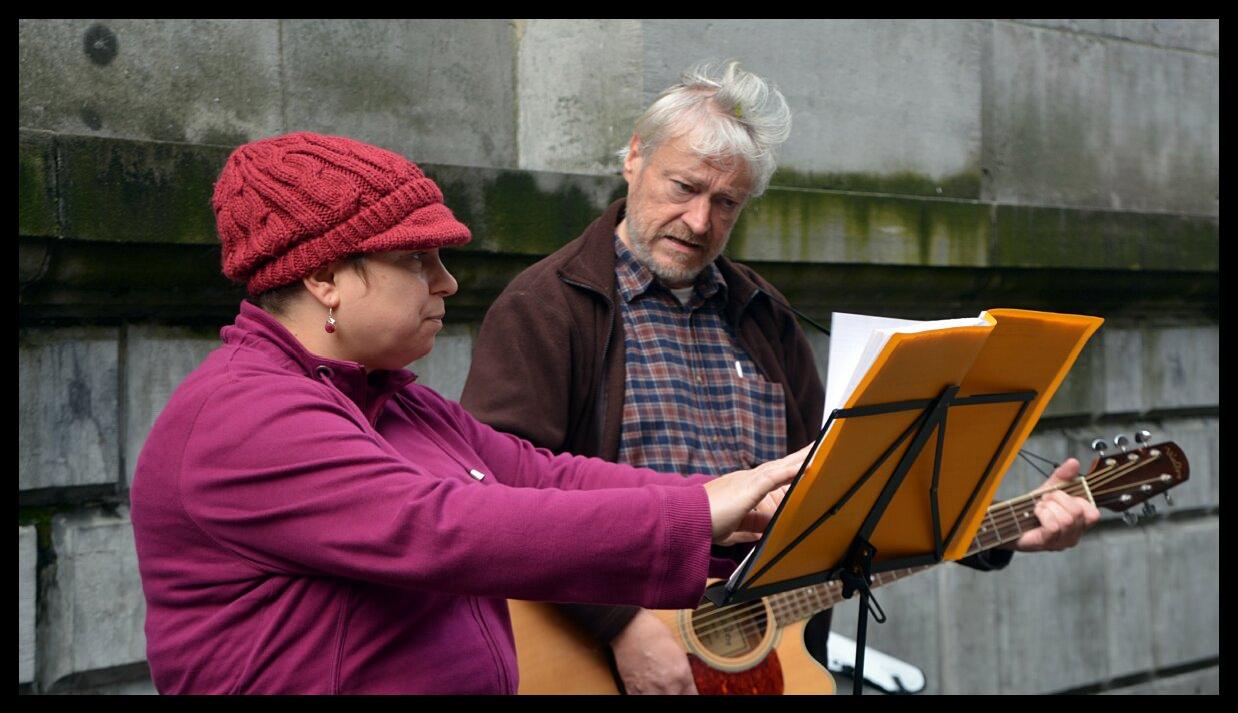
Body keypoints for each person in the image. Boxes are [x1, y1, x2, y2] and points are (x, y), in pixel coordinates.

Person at [460, 61, 1101, 694]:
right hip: (607, 650)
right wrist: (619, 624)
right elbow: (496, 495)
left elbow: (844, 497)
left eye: (727, 202)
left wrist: (1003, 529)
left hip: (771, 657)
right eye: (684, 188)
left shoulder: (762, 313)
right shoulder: (546, 305)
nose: (700, 223)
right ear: (634, 158)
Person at [128, 131, 809, 694]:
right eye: (418, 259)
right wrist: (697, 511)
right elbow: (449, 529)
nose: (446, 282)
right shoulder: (244, 414)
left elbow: (542, 477)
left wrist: (732, 500)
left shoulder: (387, 395)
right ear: (323, 276)